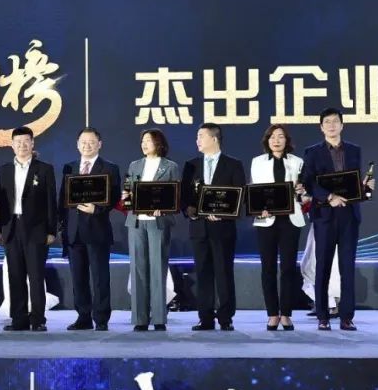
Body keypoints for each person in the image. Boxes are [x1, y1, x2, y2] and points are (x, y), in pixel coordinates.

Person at [300, 107, 373, 331]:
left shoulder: (354, 150)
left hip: (349, 215)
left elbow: (353, 182)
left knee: (347, 268)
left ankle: (347, 317)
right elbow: (308, 182)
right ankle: (322, 316)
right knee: (322, 266)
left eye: (335, 121)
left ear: (342, 125)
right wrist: (329, 197)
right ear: (321, 127)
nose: (331, 125)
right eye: (327, 122)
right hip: (324, 215)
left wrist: (365, 188)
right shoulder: (312, 152)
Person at [182, 123, 247, 331]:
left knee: (224, 273)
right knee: (202, 273)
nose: (197, 140)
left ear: (214, 138)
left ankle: (226, 317)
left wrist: (223, 213)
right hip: (199, 228)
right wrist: (190, 210)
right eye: (197, 136)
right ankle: (205, 318)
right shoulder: (191, 165)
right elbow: (184, 197)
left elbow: (240, 195)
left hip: (223, 227)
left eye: (201, 136)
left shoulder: (233, 164)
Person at [0, 126, 57, 331]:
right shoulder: (3, 170)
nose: (22, 145)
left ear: (32, 143)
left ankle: (38, 320)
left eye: (26, 141)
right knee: (15, 276)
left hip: (36, 229)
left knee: (36, 276)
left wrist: (51, 230)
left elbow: (51, 201)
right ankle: (18, 320)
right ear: (12, 145)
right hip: (11, 227)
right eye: (18, 142)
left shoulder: (44, 169)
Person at [61, 127, 121, 331]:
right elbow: (63, 198)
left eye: (91, 142)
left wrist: (97, 209)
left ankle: (101, 318)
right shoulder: (69, 167)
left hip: (97, 229)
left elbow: (114, 197)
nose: (87, 145)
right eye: (83, 142)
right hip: (73, 231)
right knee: (78, 278)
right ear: (77, 144)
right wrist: (62, 226)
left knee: (100, 277)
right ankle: (83, 316)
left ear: (99, 144)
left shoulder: (110, 168)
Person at [250, 124, 306, 330]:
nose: (276, 140)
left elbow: (304, 194)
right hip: (267, 220)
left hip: (291, 219)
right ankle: (272, 313)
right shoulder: (257, 162)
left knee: (288, 268)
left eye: (280, 136)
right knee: (268, 268)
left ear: (286, 140)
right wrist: (259, 209)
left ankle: (286, 314)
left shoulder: (297, 162)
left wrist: (302, 191)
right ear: (267, 140)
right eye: (272, 136)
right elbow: (254, 191)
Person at [125, 128, 180, 331]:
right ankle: (140, 318)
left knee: (158, 268)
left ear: (159, 143)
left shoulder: (170, 166)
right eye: (143, 141)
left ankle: (158, 317)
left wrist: (164, 208)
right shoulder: (134, 165)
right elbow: (128, 189)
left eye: (148, 140)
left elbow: (175, 195)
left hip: (158, 221)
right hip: (136, 222)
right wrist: (127, 198)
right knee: (138, 269)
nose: (144, 144)